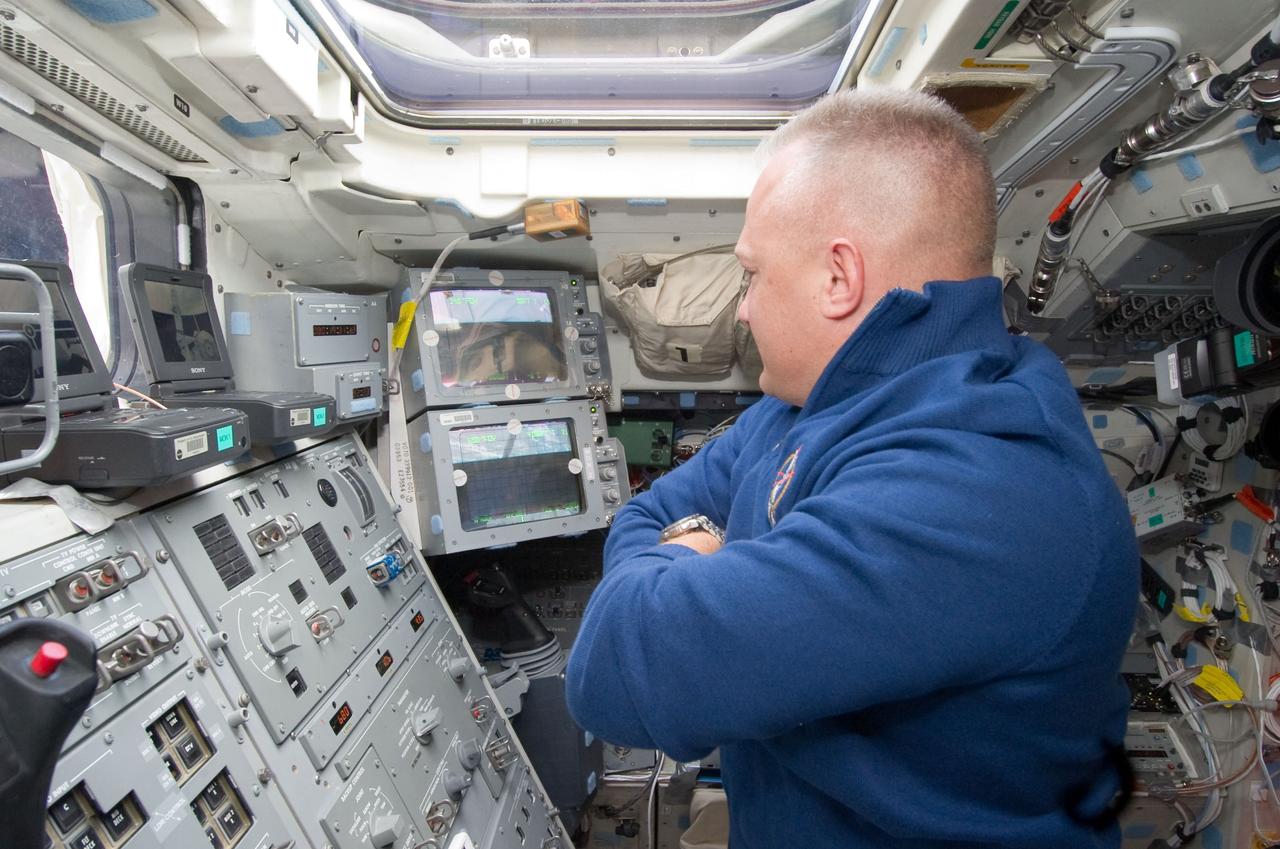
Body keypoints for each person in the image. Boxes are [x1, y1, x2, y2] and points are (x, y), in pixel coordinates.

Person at [565, 88, 1139, 849]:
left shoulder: (981, 489)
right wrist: (692, 553)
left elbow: (608, 672)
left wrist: (687, 558)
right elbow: (641, 515)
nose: (742, 310)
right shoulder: (809, 401)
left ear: (840, 277)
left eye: (753, 273)